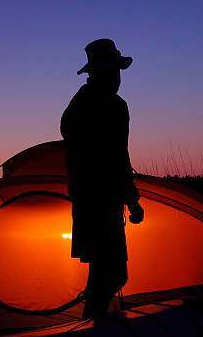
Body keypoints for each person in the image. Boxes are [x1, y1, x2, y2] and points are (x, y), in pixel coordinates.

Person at [60, 38, 144, 319]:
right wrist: (132, 202)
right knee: (112, 272)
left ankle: (96, 324)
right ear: (104, 73)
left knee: (103, 270)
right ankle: (95, 327)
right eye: (114, 71)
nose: (118, 78)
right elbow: (118, 157)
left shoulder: (77, 104)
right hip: (102, 202)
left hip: (84, 199)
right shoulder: (113, 105)